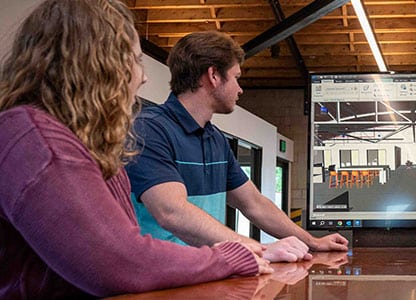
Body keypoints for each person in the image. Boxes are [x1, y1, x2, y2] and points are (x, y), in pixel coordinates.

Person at [0, 0, 272, 298]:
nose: (142, 77)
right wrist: (231, 256)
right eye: (136, 60)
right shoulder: (36, 137)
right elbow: (119, 262)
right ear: (101, 62)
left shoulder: (81, 143)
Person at [125, 30, 348, 261]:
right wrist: (258, 250)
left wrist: (312, 242)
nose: (240, 89)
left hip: (208, 273)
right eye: (236, 77)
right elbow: (171, 211)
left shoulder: (216, 139)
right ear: (213, 75)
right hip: (161, 283)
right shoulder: (150, 129)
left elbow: (254, 204)